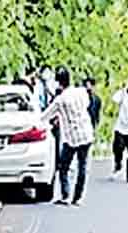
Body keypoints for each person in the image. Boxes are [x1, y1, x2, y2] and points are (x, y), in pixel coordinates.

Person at [41, 70, 95, 206]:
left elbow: (45, 116)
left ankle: (65, 195)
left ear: (58, 83)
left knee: (63, 167)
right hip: (86, 133)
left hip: (71, 137)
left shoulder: (60, 100)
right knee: (82, 166)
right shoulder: (81, 92)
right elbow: (88, 104)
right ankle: (78, 197)